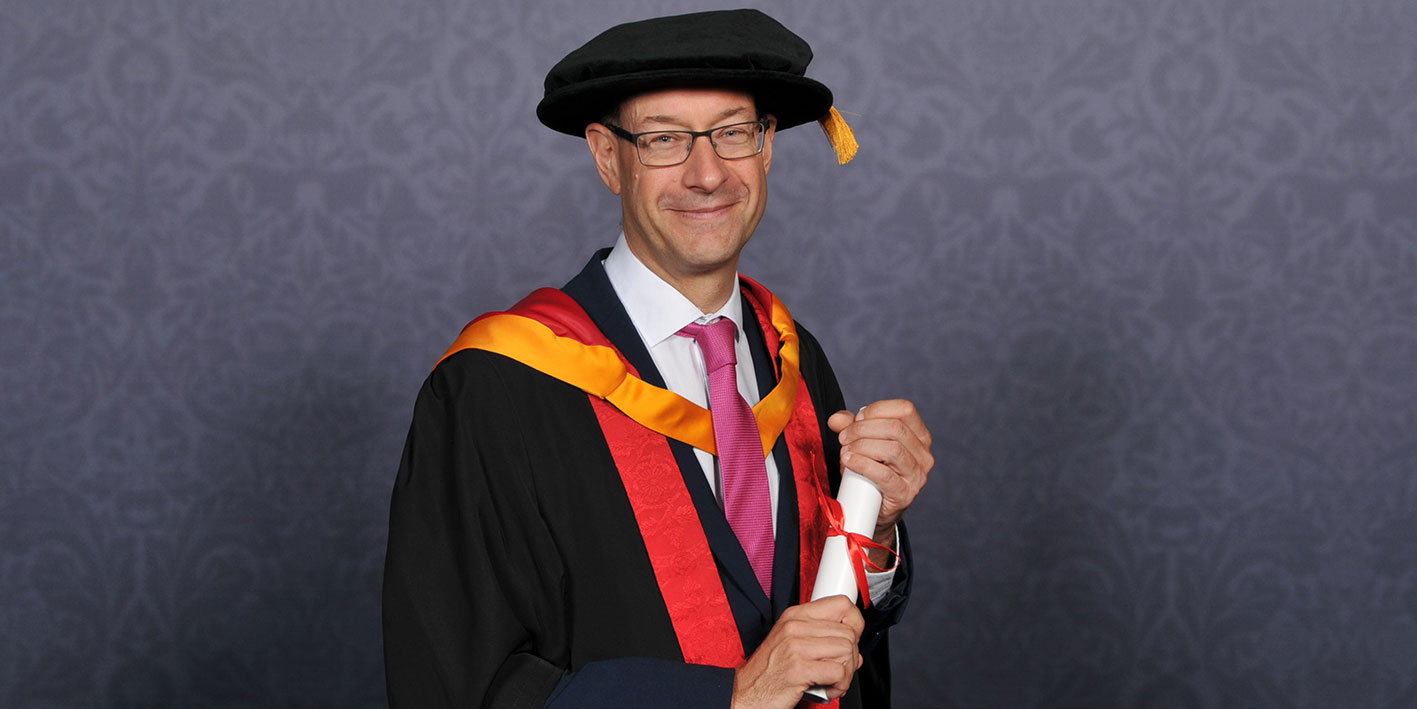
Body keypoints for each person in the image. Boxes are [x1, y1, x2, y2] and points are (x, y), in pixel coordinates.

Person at [382, 9, 933, 708]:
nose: (707, 175)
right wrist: (728, 695)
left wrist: (872, 531)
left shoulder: (790, 357)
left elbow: (836, 648)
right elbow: (456, 684)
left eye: (733, 132)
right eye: (664, 139)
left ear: (766, 146)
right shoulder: (495, 387)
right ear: (607, 157)